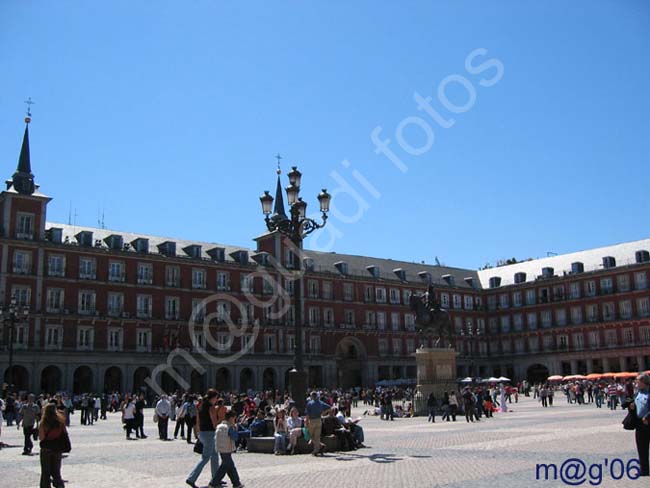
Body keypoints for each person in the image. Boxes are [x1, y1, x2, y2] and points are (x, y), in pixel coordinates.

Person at [186, 390, 220, 488]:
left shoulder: (200, 406)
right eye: (216, 398)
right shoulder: (211, 407)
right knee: (205, 458)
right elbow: (214, 423)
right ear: (213, 398)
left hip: (202, 433)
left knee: (214, 455)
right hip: (210, 433)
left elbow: (197, 420)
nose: (216, 400)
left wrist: (198, 432)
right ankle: (191, 478)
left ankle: (216, 479)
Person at [208, 410, 244, 488]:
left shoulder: (219, 426)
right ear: (231, 418)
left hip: (220, 448)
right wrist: (235, 429)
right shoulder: (229, 427)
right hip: (227, 449)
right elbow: (235, 437)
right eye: (234, 418)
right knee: (224, 467)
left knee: (231, 466)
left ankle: (236, 483)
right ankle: (213, 483)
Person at [39, 403, 68, 488]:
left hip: (46, 449)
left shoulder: (44, 422)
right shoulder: (60, 421)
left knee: (45, 472)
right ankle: (59, 485)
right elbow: (64, 433)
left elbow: (41, 437)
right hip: (57, 448)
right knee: (56, 471)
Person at [629, 373, 650, 477]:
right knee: (641, 448)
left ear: (644, 382)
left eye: (638, 380)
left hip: (648, 422)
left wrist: (647, 417)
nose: (636, 382)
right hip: (640, 424)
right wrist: (632, 407)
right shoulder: (637, 393)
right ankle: (644, 470)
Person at [305, 391, 330, 456]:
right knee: (317, 436)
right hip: (319, 420)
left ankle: (317, 449)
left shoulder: (309, 403)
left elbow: (307, 414)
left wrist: (306, 421)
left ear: (311, 396)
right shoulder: (321, 403)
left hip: (312, 420)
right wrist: (323, 413)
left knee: (310, 435)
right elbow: (330, 407)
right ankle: (319, 447)